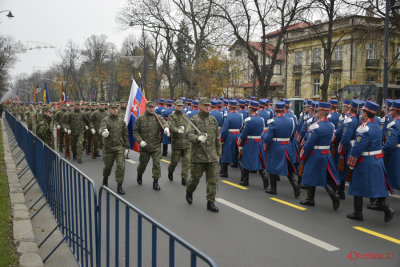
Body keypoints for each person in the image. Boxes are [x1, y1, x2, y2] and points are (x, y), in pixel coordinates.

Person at [346, 101, 394, 222]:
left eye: (362, 112)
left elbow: (357, 148)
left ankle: (358, 213)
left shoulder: (364, 129)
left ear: (366, 114)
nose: (361, 113)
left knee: (357, 186)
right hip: (376, 160)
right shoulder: (376, 126)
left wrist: (351, 162)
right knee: (376, 186)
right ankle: (385, 207)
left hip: (365, 161)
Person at [299, 102, 340, 210]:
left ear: (320, 113)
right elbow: (332, 139)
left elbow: (310, 143)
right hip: (326, 153)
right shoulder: (331, 126)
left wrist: (303, 153)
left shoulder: (315, 126)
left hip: (315, 154)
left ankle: (310, 199)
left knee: (310, 176)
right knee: (324, 177)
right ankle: (332, 195)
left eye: (317, 111)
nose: (316, 113)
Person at [185, 97, 221, 212]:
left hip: (212, 156)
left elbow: (217, 138)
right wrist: (198, 138)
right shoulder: (194, 120)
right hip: (198, 156)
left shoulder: (213, 120)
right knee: (194, 179)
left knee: (213, 180)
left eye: (208, 105)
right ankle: (189, 191)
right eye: (205, 105)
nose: (207, 107)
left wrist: (218, 153)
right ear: (200, 106)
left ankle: (210, 202)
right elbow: (188, 135)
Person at [263, 101, 299, 197]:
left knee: (271, 167)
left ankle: (273, 188)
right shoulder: (291, 120)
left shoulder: (273, 121)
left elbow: (268, 138)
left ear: (275, 110)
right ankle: (295, 184)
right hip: (287, 146)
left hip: (276, 146)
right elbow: (292, 136)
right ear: (284, 109)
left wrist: (264, 139)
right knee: (288, 168)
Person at [133, 101, 170, 191]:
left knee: (157, 164)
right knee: (143, 164)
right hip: (145, 146)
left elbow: (164, 122)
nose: (151, 109)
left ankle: (155, 182)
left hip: (156, 146)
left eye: (153, 107)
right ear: (146, 107)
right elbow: (135, 131)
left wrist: (166, 128)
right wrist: (140, 141)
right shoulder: (140, 118)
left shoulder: (157, 117)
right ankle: (139, 174)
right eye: (150, 107)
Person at [99, 102, 129, 195]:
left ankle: (119, 185)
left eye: (116, 108)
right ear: (109, 109)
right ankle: (105, 179)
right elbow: (101, 128)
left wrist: (127, 147)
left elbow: (125, 134)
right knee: (108, 167)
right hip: (108, 148)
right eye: (113, 108)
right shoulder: (105, 120)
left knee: (121, 166)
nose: (115, 110)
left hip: (119, 148)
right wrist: (103, 132)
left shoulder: (121, 121)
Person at [237, 101, 269, 190]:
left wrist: (240, 142)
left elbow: (244, 133)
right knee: (258, 161)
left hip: (250, 142)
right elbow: (263, 131)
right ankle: (264, 177)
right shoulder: (261, 119)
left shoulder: (249, 120)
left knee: (245, 160)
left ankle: (245, 180)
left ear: (250, 108)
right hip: (258, 141)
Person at [167, 100, 190, 185]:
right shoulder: (172, 116)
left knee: (186, 161)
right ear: (175, 106)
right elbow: (171, 126)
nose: (180, 107)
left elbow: (189, 126)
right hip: (177, 142)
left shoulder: (186, 116)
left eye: (181, 106)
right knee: (174, 161)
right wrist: (177, 130)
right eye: (178, 106)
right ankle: (170, 170)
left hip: (187, 142)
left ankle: (184, 177)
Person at [220, 100, 243, 178]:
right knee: (238, 154)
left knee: (226, 153)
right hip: (237, 135)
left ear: (229, 106)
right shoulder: (240, 115)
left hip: (229, 136)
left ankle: (224, 172)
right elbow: (241, 126)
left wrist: (222, 138)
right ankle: (243, 174)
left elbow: (224, 129)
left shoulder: (228, 116)